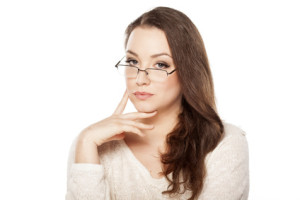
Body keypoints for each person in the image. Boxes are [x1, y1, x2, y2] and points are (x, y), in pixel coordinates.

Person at [65, 6, 249, 200]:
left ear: (188, 72)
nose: (140, 79)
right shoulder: (91, 144)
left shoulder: (224, 144)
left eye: (161, 65)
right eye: (133, 62)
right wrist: (86, 141)